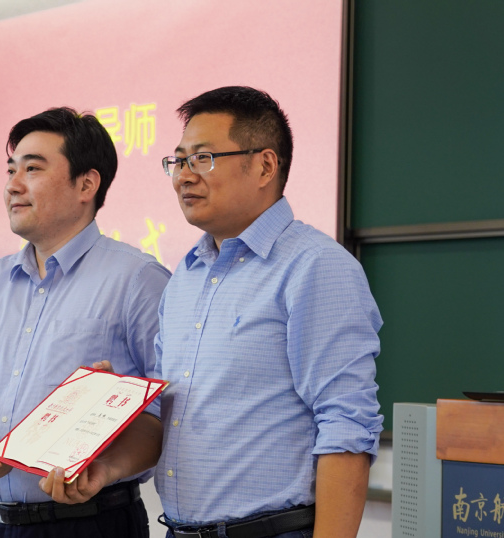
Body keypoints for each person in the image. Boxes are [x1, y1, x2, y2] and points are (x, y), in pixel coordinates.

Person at [0, 106, 171, 538]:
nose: (13, 186)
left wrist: (107, 463)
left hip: (89, 525)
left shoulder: (138, 279)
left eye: (33, 169)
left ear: (86, 184)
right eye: (10, 170)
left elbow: (168, 413)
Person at [153, 86, 383, 538]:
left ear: (264, 166)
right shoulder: (185, 276)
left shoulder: (316, 265)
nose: (183, 176)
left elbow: (346, 424)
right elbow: (166, 411)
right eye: (177, 161)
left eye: (202, 158)